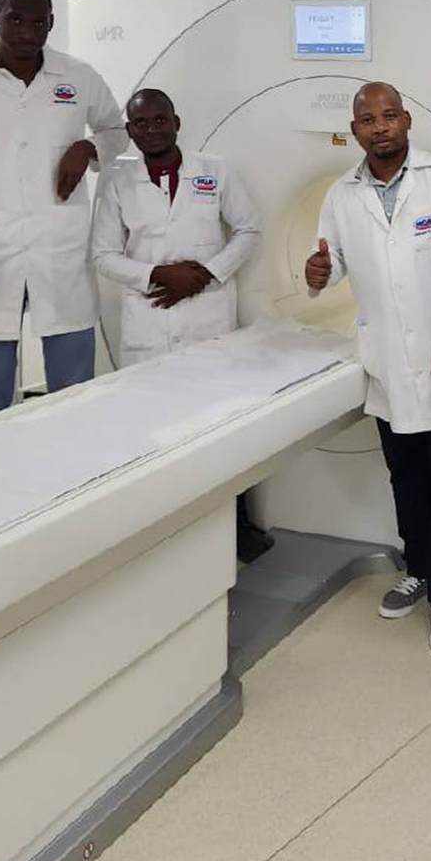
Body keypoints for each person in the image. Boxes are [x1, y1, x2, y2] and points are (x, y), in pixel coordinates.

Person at [307, 82, 431, 658]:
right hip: (386, 364)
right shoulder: (341, 194)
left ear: (406, 120)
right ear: (354, 130)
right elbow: (331, 264)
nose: (379, 126)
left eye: (388, 116)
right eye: (367, 119)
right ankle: (419, 570)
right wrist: (317, 274)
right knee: (406, 478)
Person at [91, 87, 270, 563]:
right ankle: (165, 533)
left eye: (159, 120)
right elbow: (103, 255)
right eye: (141, 123)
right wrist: (157, 274)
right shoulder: (117, 180)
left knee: (221, 429)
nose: (152, 130)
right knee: (152, 432)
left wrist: (206, 274)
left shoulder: (214, 171)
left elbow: (248, 229)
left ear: (176, 121)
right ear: (129, 131)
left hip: (206, 314)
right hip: (149, 319)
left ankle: (236, 528)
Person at [0, 0, 126, 420]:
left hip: (61, 251)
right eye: (14, 19)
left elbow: (117, 131)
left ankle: (70, 461)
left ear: (51, 23)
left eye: (39, 23)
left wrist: (89, 147)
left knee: (73, 396)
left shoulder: (78, 76)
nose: (26, 32)